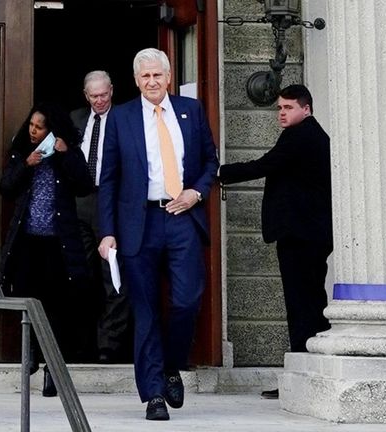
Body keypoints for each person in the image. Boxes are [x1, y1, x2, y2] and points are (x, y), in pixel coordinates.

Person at [98, 48, 219, 421]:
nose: (151, 82)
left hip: (182, 216)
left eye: (157, 76)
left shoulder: (191, 110)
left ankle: (170, 366)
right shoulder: (120, 118)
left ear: (168, 78)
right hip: (139, 223)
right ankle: (153, 394)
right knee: (146, 310)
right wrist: (107, 233)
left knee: (187, 300)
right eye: (144, 76)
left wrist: (195, 192)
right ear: (136, 81)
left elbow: (211, 161)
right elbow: (109, 179)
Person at [217, 84, 332, 400]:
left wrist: (217, 172)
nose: (281, 113)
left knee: (303, 306)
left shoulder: (303, 136)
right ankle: (302, 377)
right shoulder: (304, 134)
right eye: (279, 108)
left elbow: (264, 165)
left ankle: (305, 379)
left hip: (303, 236)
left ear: (305, 109)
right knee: (305, 305)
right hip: (305, 234)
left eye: (288, 108)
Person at [0, 102, 94, 397]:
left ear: (52, 129)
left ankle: (53, 369)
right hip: (28, 242)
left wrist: (65, 155)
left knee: (57, 306)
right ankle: (30, 356)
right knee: (27, 299)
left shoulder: (67, 152)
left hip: (58, 244)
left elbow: (84, 185)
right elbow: (6, 188)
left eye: (39, 127)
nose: (33, 131)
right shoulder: (22, 151)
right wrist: (26, 165)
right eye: (31, 125)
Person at [70, 70, 131, 364]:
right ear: (85, 95)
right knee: (81, 274)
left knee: (114, 276)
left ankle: (109, 345)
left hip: (114, 203)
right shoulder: (75, 120)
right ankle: (80, 343)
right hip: (80, 202)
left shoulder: (126, 118)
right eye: (93, 96)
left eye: (103, 95)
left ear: (112, 91)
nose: (99, 101)